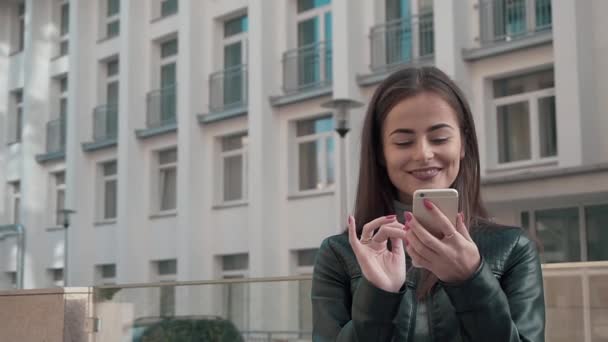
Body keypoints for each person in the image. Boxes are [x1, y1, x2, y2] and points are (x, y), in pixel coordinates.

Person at [311, 67, 545, 341]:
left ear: (463, 144)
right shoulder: (339, 255)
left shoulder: (512, 248)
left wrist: (471, 280)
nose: (423, 153)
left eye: (440, 138)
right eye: (403, 141)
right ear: (381, 153)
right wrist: (377, 297)